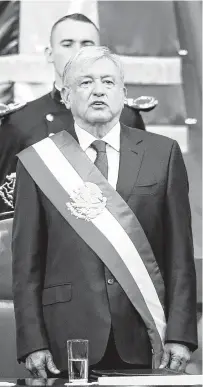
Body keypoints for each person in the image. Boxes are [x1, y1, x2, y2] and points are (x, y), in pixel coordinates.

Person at [12, 46, 197, 378]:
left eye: (108, 82)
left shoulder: (162, 153)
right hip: (64, 336)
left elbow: (180, 254)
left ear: (123, 94)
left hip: (144, 331)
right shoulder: (39, 162)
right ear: (65, 96)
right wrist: (32, 341)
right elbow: (26, 261)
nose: (98, 90)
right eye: (85, 83)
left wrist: (181, 334)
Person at [0, 13, 152, 214]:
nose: (78, 52)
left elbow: (146, 202)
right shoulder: (20, 122)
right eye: (67, 44)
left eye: (87, 44)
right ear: (49, 54)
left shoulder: (126, 117)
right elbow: (7, 212)